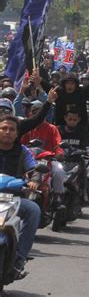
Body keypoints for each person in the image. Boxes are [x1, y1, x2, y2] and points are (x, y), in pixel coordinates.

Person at [0, 116, 41, 278]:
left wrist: (34, 181)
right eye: (4, 128)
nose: (7, 132)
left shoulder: (23, 151)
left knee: (34, 210)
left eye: (12, 129)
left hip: (14, 198)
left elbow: (34, 169)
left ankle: (19, 259)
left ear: (17, 134)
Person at [20, 101, 67, 207]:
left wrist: (59, 154)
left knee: (59, 172)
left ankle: (57, 196)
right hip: (29, 160)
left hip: (48, 160)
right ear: (31, 114)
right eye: (35, 112)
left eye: (40, 112)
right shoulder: (27, 128)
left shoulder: (52, 128)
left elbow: (58, 144)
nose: (38, 115)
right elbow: (20, 145)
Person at [58, 109, 89, 204]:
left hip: (77, 159)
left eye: (74, 120)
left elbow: (86, 145)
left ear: (79, 120)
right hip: (62, 159)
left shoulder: (82, 130)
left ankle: (86, 191)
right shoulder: (58, 130)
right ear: (65, 118)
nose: (72, 122)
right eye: (70, 119)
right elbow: (54, 144)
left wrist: (86, 151)